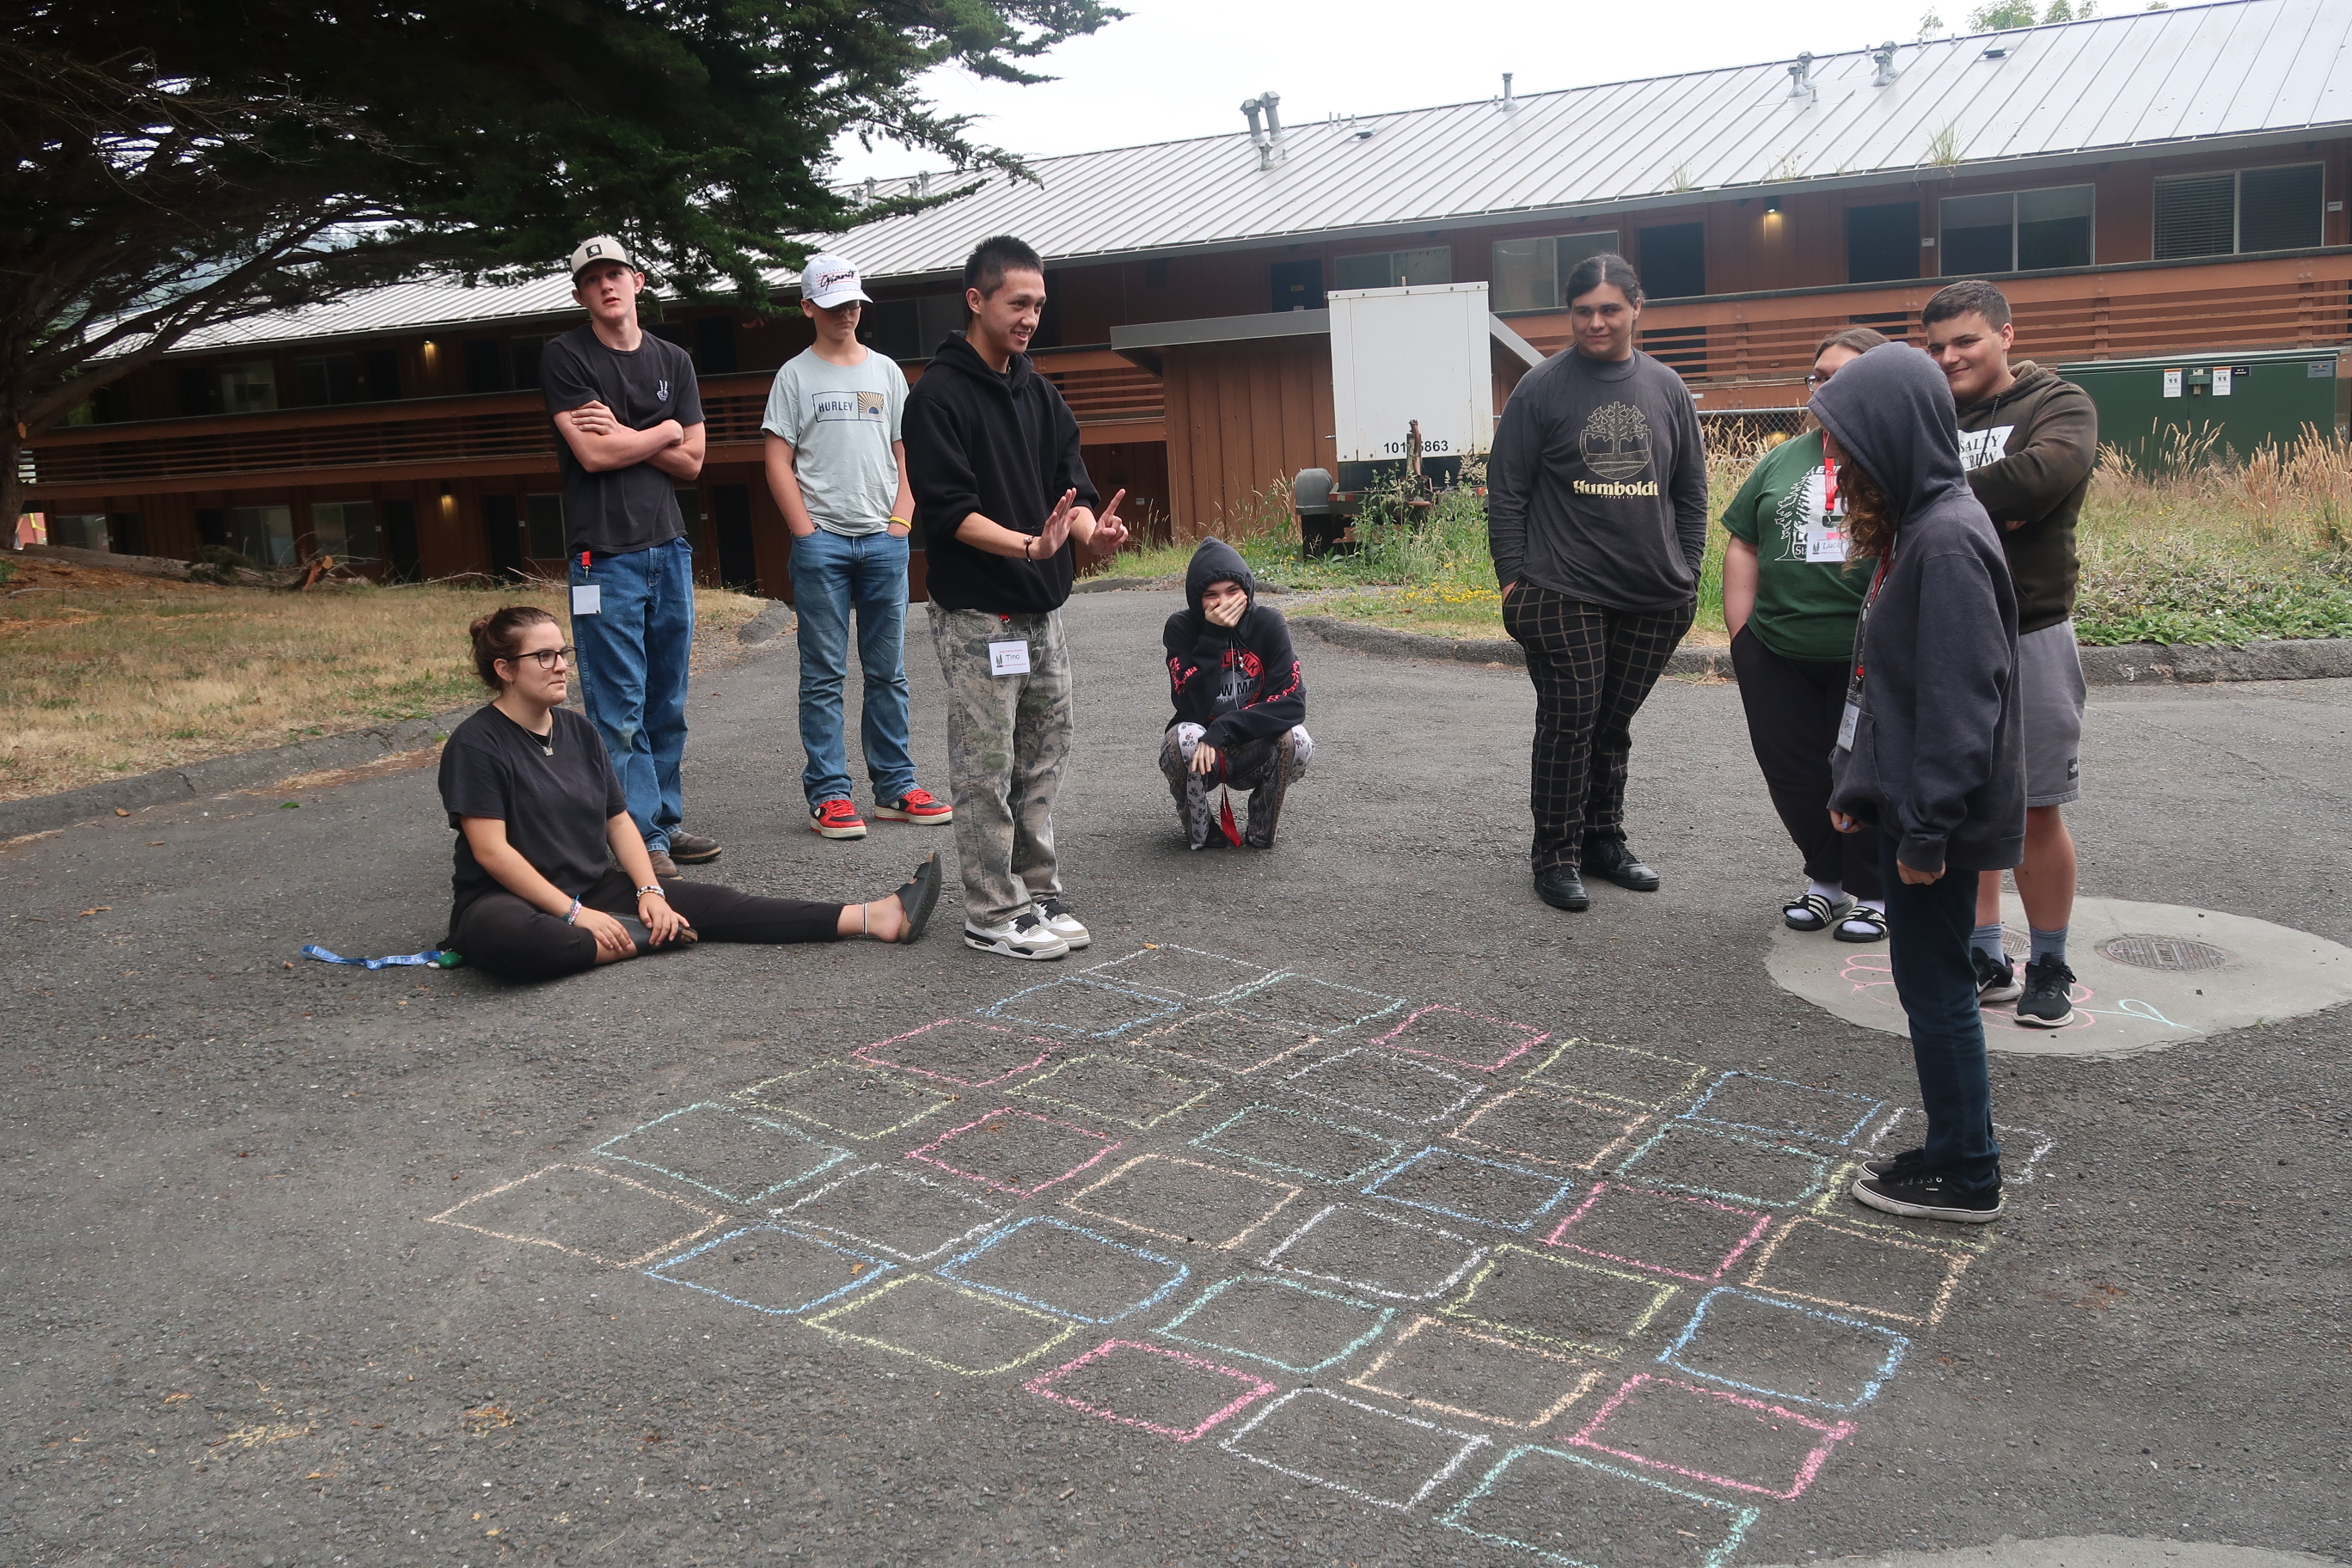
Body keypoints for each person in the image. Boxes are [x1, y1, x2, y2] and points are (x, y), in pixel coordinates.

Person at [438, 605, 940, 983]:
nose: (561, 666)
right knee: (513, 941)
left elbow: (618, 821)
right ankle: (642, 936)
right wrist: (576, 915)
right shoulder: (476, 744)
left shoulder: (577, 730)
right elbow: (491, 852)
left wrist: (649, 891)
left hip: (591, 887)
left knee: (720, 903)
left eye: (563, 653)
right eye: (542, 656)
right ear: (505, 669)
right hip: (506, 902)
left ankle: (876, 916)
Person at [1813, 344, 2024, 1224]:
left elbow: (1958, 706)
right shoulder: (1919, 526)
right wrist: (1864, 786)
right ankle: (1950, 1146)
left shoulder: (1947, 539)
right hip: (1912, 804)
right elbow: (1893, 683)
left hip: (1943, 819)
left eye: (1847, 443)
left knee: (1938, 993)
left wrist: (1928, 831)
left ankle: (1969, 1171)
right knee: (1928, 986)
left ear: (1894, 435)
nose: (1836, 463)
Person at [903, 235, 1130, 960]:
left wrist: (1091, 535)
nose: (1031, 317)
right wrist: (1028, 545)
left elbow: (1074, 493)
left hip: (1041, 612)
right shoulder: (936, 396)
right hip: (977, 612)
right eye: (1017, 303)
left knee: (1042, 758)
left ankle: (1036, 889)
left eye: (1038, 304)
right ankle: (991, 910)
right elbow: (945, 513)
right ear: (977, 300)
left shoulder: (1040, 393)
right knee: (985, 764)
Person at [1486, 251, 1708, 914]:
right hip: (1560, 588)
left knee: (1613, 725)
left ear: (1638, 309)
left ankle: (1602, 840)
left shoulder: (1666, 388)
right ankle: (1554, 853)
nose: (1596, 323)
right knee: (1570, 721)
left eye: (1610, 309)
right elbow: (1507, 492)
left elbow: (1691, 492)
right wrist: (1511, 583)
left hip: (1653, 593)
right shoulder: (1542, 387)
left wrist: (1690, 571)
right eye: (1583, 311)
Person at [1924, 279, 2098, 1029]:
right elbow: (1882, 490)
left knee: (2035, 807)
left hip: (2030, 628)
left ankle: (2049, 960)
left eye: (1965, 340)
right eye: (1936, 347)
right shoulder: (1932, 411)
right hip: (1946, 632)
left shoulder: (2058, 403)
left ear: (2005, 335)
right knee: (1965, 803)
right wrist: (1996, 503)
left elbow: (2047, 472)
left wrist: (1934, 495)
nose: (1950, 357)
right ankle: (1986, 952)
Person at [542, 235, 718, 879]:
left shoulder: (674, 359)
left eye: (616, 273)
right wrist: (663, 430)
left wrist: (632, 434)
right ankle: (637, 839)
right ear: (580, 293)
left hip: (667, 549)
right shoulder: (566, 357)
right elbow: (593, 455)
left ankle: (664, 824)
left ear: (638, 282)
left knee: (666, 700)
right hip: (601, 558)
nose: (606, 285)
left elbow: (693, 462)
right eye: (592, 279)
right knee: (618, 710)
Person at [762, 250, 951, 842]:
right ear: (808, 306)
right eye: (834, 302)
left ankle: (895, 788)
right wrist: (803, 531)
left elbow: (906, 451)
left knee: (888, 672)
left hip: (883, 541)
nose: (846, 312)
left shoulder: (887, 372)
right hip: (822, 544)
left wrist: (902, 520)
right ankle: (830, 795)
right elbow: (777, 457)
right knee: (822, 673)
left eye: (854, 303)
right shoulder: (794, 376)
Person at [1719, 328, 1890, 943]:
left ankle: (1875, 892)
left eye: (1841, 377)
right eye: (1818, 376)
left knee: (1864, 773)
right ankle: (1826, 883)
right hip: (1778, 651)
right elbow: (1743, 539)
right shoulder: (1783, 457)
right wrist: (1743, 637)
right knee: (1795, 775)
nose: (1823, 387)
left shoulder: (1897, 455)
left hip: (1867, 655)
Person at [1160, 538, 1310, 850]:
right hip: (1204, 755)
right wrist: (1213, 636)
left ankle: (1262, 821)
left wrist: (1225, 729)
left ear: (1247, 592)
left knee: (1298, 740)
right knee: (1182, 737)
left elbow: (1292, 703)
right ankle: (1201, 827)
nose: (1223, 603)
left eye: (1232, 592)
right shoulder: (1181, 628)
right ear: (1196, 600)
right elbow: (1190, 707)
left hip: (1252, 746)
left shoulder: (1269, 623)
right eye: (1210, 596)